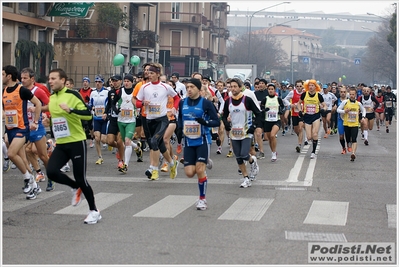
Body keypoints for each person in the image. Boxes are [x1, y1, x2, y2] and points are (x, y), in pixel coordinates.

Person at [45, 68, 101, 224]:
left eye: (53, 78)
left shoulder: (73, 95)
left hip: (76, 142)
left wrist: (71, 110)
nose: (50, 81)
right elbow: (55, 119)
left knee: (81, 178)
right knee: (51, 172)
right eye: (49, 78)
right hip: (62, 143)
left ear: (63, 80)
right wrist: (46, 122)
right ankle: (75, 187)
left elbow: (88, 115)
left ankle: (94, 211)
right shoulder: (52, 98)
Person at [177, 78, 220, 209]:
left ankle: (202, 199)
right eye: (187, 87)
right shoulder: (182, 102)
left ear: (198, 89)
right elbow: (180, 119)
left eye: (192, 87)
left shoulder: (206, 103)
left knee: (200, 170)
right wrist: (179, 134)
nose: (189, 89)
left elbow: (216, 122)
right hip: (189, 142)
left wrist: (204, 122)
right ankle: (205, 161)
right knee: (190, 173)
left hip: (202, 140)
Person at [3, 65, 43, 199]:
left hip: (22, 128)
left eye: (3, 74)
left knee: (11, 153)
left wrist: (35, 122)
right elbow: (5, 110)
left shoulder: (22, 90)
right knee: (23, 161)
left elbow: (37, 104)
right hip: (9, 128)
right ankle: (35, 187)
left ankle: (28, 179)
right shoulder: (4, 91)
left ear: (9, 76)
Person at [135, 63, 180, 180]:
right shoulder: (144, 87)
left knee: (154, 141)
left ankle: (154, 169)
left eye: (152, 73)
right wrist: (142, 104)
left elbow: (177, 98)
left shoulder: (165, 87)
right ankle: (172, 163)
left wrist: (175, 107)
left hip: (162, 119)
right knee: (158, 144)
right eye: (148, 73)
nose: (149, 75)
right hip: (150, 120)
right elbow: (137, 102)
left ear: (158, 74)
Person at [223, 78, 260, 187]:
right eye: (231, 87)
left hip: (246, 132)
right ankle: (246, 178)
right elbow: (224, 115)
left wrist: (253, 126)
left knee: (244, 154)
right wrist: (226, 124)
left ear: (240, 88)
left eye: (235, 86)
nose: (233, 89)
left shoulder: (247, 100)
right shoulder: (228, 101)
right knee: (238, 156)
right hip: (234, 133)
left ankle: (252, 161)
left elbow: (258, 113)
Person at [20, 68, 50, 185]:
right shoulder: (20, 90)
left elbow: (49, 105)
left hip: (37, 126)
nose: (22, 80)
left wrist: (38, 109)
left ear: (32, 79)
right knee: (27, 150)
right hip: (24, 127)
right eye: (21, 78)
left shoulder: (38, 91)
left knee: (42, 155)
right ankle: (38, 173)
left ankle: (51, 175)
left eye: (25, 78)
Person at [113, 74, 143, 173]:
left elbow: (139, 102)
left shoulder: (135, 92)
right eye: (125, 81)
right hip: (121, 121)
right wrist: (116, 110)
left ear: (132, 82)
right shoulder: (120, 91)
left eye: (128, 81)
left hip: (131, 121)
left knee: (126, 141)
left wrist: (138, 109)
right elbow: (113, 103)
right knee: (126, 142)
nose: (126, 83)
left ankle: (125, 165)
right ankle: (137, 148)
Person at [296, 79, 327, 159]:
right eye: (309, 85)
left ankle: (313, 152)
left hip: (316, 115)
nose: (310, 87)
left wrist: (324, 109)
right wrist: (300, 110)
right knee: (309, 137)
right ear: (307, 86)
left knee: (315, 134)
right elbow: (298, 103)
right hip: (307, 116)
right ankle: (314, 140)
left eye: (312, 85)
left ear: (315, 87)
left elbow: (325, 105)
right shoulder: (304, 94)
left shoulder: (318, 95)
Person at [336, 87, 366, 161]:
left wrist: (363, 117)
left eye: (353, 94)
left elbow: (363, 110)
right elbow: (338, 110)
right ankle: (348, 144)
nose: (352, 96)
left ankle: (353, 153)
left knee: (354, 139)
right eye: (351, 94)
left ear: (355, 95)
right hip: (346, 123)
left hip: (355, 124)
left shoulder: (358, 103)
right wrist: (344, 111)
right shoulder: (345, 102)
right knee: (348, 139)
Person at [103, 74, 125, 171]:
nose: (114, 82)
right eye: (113, 81)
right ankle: (119, 148)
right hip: (113, 119)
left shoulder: (124, 91)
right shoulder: (111, 92)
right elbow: (109, 104)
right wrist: (105, 112)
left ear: (121, 81)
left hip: (122, 119)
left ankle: (121, 161)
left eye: (116, 80)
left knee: (120, 141)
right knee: (110, 141)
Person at [260, 83, 285, 162]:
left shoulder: (278, 99)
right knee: (269, 139)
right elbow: (261, 106)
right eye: (269, 89)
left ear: (274, 90)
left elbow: (282, 106)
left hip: (276, 120)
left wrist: (281, 111)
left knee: (273, 135)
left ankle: (274, 153)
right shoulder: (265, 99)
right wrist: (264, 109)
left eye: (272, 89)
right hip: (267, 120)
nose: (270, 90)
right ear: (267, 90)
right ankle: (273, 151)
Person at [89, 75, 109, 164]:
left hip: (104, 118)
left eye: (99, 82)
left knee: (103, 140)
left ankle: (114, 144)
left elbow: (109, 104)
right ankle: (100, 157)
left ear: (103, 83)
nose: (97, 84)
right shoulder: (92, 93)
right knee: (97, 138)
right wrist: (91, 107)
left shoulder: (106, 92)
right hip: (96, 117)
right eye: (96, 82)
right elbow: (90, 103)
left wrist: (107, 113)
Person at [283, 80, 306, 152]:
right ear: (295, 87)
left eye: (300, 86)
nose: (299, 88)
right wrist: (290, 105)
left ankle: (299, 145)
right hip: (294, 113)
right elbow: (285, 99)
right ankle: (300, 137)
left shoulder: (305, 92)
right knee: (296, 130)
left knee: (300, 127)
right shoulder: (292, 92)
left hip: (302, 113)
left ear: (302, 86)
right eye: (297, 86)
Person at [333, 86, 351, 154]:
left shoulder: (350, 100)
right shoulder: (337, 101)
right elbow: (333, 112)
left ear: (346, 93)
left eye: (344, 92)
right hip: (340, 120)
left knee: (349, 135)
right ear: (339, 93)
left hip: (349, 120)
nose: (343, 93)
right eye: (341, 92)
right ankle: (343, 148)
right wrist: (333, 109)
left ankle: (349, 144)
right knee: (341, 136)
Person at [78, 77, 94, 148]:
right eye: (84, 81)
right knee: (82, 125)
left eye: (86, 81)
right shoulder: (80, 91)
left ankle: (92, 139)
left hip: (89, 110)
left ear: (89, 83)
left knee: (90, 126)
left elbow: (93, 100)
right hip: (82, 110)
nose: (85, 83)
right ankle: (83, 139)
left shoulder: (91, 91)